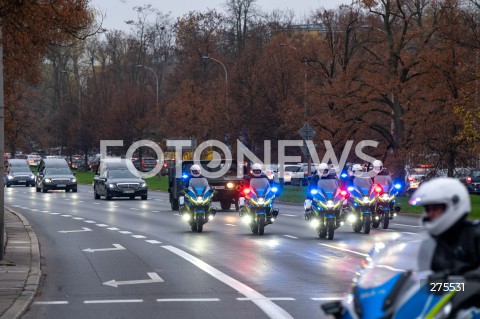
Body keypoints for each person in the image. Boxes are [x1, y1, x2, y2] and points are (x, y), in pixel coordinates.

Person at [410, 177, 480, 313]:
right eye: (427, 209)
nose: (430, 214)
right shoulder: (428, 244)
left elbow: (474, 283)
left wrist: (448, 280)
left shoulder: (475, 235)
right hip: (440, 311)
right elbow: (421, 285)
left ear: (454, 204)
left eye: (435, 208)